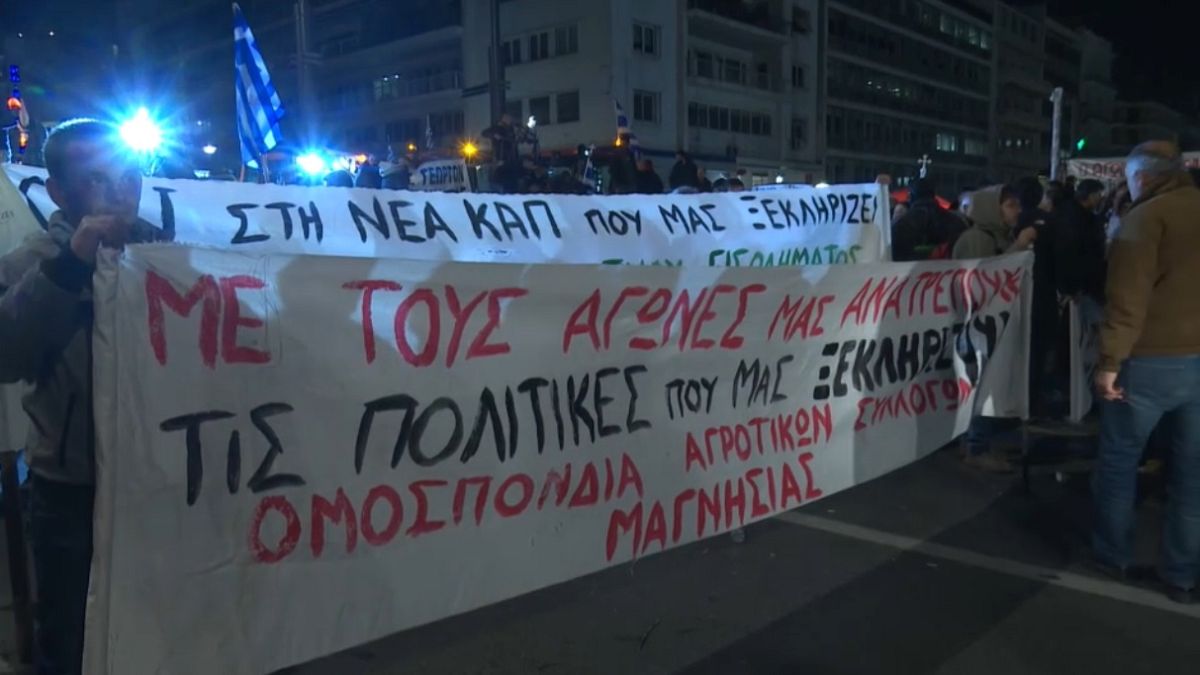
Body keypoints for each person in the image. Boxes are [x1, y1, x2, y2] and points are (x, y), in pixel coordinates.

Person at [0, 119, 171, 673]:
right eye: (99, 180)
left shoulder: (166, 254)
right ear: (58, 192)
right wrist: (71, 265)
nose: (120, 192)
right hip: (73, 494)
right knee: (74, 641)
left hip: (160, 483)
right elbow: (7, 354)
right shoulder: (32, 263)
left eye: (128, 176)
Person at [1092, 141, 1200, 603]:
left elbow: (1127, 302)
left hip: (1149, 361)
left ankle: (1111, 554)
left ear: (1142, 177)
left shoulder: (1144, 220)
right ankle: (1182, 573)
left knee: (1120, 461)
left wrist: (1110, 363)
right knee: (1192, 475)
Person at [953, 184, 1036, 472]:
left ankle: (974, 442)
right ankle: (976, 446)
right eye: (1010, 205)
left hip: (991, 325)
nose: (1017, 211)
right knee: (982, 383)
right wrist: (1019, 247)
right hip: (979, 328)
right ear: (993, 208)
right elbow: (987, 280)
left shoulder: (996, 236)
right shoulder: (977, 238)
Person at [1054, 178, 1108, 307]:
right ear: (1090, 195)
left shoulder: (1072, 212)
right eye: (1099, 195)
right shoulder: (1076, 218)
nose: (1101, 199)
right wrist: (1072, 288)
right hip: (1081, 285)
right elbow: (1070, 251)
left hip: (1084, 282)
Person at [890, 177, 966, 261]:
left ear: (911, 197)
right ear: (933, 195)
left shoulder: (900, 226)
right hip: (950, 272)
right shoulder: (956, 222)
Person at [482, 113, 521, 194]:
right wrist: (494, 135)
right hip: (502, 158)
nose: (510, 120)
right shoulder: (498, 128)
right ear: (504, 119)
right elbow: (485, 133)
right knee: (502, 180)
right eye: (509, 118)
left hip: (511, 159)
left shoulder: (511, 129)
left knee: (511, 182)